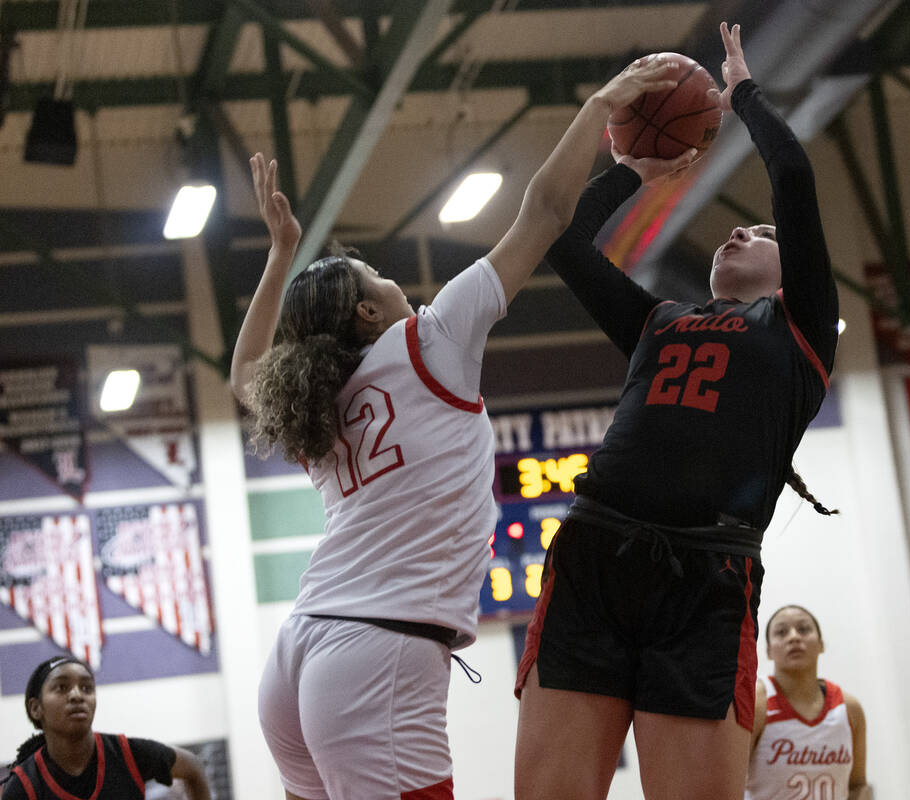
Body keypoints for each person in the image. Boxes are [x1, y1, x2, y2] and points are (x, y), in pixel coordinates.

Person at [231, 56, 687, 800]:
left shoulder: (316, 400)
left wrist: (281, 255)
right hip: (374, 652)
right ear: (368, 313)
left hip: (298, 656)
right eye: (376, 274)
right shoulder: (427, 342)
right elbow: (543, 212)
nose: (390, 278)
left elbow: (244, 370)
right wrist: (599, 103)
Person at [513, 22, 839, 800]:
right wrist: (629, 168)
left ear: (794, 275)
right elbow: (567, 245)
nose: (737, 229)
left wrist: (742, 97)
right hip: (596, 553)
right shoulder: (657, 321)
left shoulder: (801, 332)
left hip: (707, 573)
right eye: (739, 225)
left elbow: (791, 178)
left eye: (758, 234)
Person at [1, 656, 210, 800]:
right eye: (62, 687)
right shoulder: (25, 785)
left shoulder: (127, 754)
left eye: (86, 687)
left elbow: (192, 767)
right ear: (36, 708)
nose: (77, 695)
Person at [746, 606, 868, 800]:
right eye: (781, 632)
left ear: (821, 644)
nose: (794, 637)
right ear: (769, 651)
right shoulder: (757, 705)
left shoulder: (849, 708)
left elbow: (857, 785)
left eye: (803, 629)